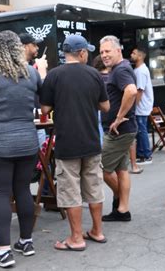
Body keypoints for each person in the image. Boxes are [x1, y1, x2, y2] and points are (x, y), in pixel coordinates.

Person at [0, 31, 42, 267]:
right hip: (28, 141)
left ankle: (2, 252)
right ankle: (26, 241)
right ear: (17, 48)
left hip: (0, 143)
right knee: (23, 190)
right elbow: (42, 103)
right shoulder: (31, 73)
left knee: (1, 193)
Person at [40, 34, 110, 251]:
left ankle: (76, 238)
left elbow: (44, 110)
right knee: (94, 187)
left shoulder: (54, 76)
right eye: (86, 52)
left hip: (67, 143)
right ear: (81, 53)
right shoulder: (94, 74)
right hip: (91, 141)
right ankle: (97, 232)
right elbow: (106, 107)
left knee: (71, 190)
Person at [100, 35, 137, 222]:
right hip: (121, 129)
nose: (104, 55)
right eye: (102, 52)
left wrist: (119, 117)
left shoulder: (121, 69)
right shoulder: (118, 69)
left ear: (118, 50)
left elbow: (131, 91)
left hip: (119, 131)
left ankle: (120, 201)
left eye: (107, 51)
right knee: (121, 169)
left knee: (102, 169)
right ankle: (122, 210)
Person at [129, 47, 154, 173]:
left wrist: (133, 106)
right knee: (140, 129)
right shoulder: (139, 69)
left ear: (140, 56)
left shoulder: (141, 71)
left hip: (141, 105)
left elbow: (139, 90)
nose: (131, 55)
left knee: (141, 129)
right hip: (143, 105)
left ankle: (146, 154)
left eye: (134, 53)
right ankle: (141, 153)